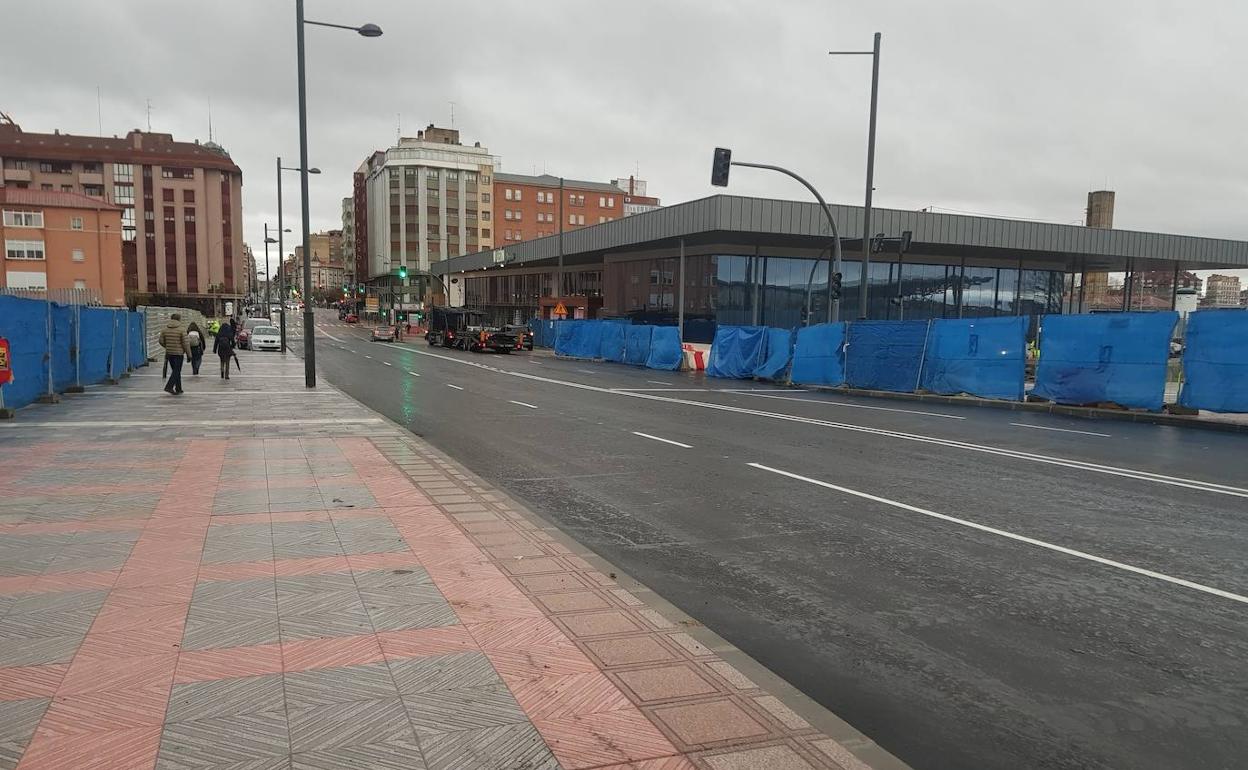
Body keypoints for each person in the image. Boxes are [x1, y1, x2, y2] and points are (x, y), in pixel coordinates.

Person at [159, 313, 191, 395]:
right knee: (177, 371)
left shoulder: (165, 329)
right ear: (179, 319)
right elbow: (185, 343)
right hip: (179, 353)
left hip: (169, 353)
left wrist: (167, 346)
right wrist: (189, 355)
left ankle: (178, 388)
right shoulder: (181, 329)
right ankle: (169, 386)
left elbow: (161, 341)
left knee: (175, 371)